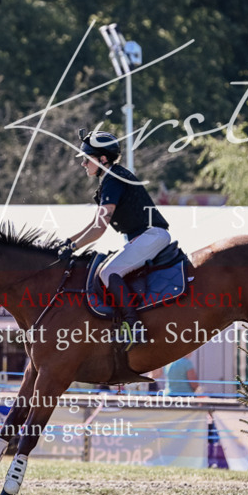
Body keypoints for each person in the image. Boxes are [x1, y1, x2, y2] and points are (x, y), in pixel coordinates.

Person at [61, 129, 172, 348]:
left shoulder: (113, 180)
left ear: (102, 159)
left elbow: (99, 229)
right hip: (141, 237)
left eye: (87, 158)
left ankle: (133, 325)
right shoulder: (111, 177)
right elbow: (93, 224)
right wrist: (66, 243)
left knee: (108, 271)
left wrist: (72, 248)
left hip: (151, 235)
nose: (83, 164)